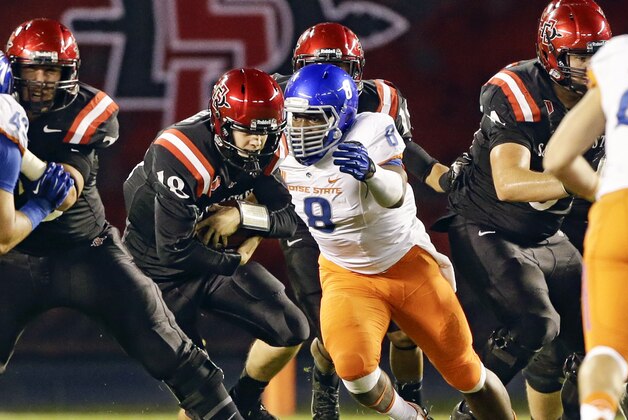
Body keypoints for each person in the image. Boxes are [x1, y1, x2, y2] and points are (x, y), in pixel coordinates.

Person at [2, 19, 244, 420]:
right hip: (9, 261)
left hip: (86, 253)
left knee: (174, 353)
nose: (42, 81)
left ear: (70, 74)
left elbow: (65, 192)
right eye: (32, 69)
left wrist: (20, 153)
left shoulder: (86, 111)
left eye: (52, 71)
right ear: (13, 70)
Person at [280, 62, 515, 420]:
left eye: (314, 119)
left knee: (467, 372)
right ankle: (412, 417)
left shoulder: (372, 129)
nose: (301, 128)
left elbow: (394, 191)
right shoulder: (278, 143)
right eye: (296, 117)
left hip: (405, 264)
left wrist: (371, 173)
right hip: (345, 273)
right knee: (354, 372)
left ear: (343, 116)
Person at [431, 1, 612, 419]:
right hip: (487, 224)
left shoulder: (610, 96)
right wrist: (591, 182)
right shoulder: (518, 89)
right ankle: (469, 412)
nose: (590, 66)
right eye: (580, 56)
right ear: (552, 53)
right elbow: (509, 183)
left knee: (603, 338)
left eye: (597, 55)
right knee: (536, 324)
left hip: (547, 231)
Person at [274, 22, 454, 418]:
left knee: (407, 332)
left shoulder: (382, 98)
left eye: (340, 66)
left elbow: (406, 155)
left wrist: (447, 178)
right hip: (313, 227)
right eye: (319, 66)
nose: (330, 75)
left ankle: (414, 403)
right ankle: (325, 386)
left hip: (373, 219)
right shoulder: (284, 99)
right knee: (332, 337)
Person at [123, 67, 310, 420]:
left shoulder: (261, 147)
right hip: (157, 275)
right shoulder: (180, 153)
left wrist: (241, 216)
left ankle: (247, 401)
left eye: (266, 132)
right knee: (202, 397)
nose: (258, 142)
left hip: (210, 260)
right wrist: (234, 260)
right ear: (223, 125)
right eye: (248, 132)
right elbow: (174, 250)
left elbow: (290, 217)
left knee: (292, 328)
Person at [544, 34, 628, 420]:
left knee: (608, 353)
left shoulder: (620, 56)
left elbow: (559, 157)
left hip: (618, 210)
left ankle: (598, 412)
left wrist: (602, 191)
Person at [0, 49, 74, 254]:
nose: (39, 81)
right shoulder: (6, 124)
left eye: (50, 70)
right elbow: (2, 239)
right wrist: (41, 206)